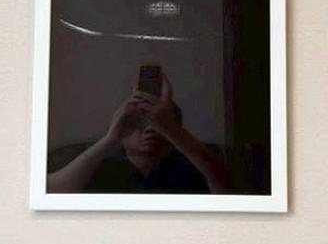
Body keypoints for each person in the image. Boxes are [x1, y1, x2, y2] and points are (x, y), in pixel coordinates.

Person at [47, 74, 231, 194]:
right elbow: (49, 192)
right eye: (139, 121)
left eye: (159, 124)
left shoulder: (193, 167)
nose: (150, 128)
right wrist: (111, 139)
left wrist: (174, 131)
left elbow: (229, 192)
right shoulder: (98, 167)